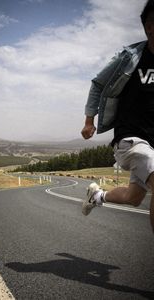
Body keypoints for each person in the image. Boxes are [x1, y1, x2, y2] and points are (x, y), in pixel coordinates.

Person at [81, 0, 154, 233]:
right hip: (131, 138)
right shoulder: (130, 57)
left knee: (134, 197)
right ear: (148, 27)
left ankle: (97, 196)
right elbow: (98, 83)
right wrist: (89, 120)